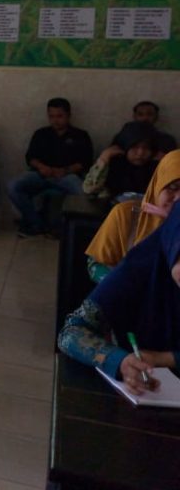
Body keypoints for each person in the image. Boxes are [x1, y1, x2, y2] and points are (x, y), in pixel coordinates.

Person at [58, 203, 180, 396]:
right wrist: (120, 361)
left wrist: (163, 358)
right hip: (143, 397)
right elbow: (71, 333)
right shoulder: (141, 266)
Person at [85, 149, 180, 283]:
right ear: (158, 184)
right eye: (173, 187)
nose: (178, 198)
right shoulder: (126, 214)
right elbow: (96, 264)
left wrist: (174, 224)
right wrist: (124, 285)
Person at [8, 98, 94, 237]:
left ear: (68, 115)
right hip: (41, 174)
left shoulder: (80, 135)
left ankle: (65, 228)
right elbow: (30, 157)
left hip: (67, 176)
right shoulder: (41, 134)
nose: (55, 120)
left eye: (59, 116)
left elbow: (86, 162)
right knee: (13, 186)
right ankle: (36, 223)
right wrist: (41, 167)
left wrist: (65, 171)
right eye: (51, 116)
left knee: (84, 194)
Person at [82, 121, 159, 200]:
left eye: (146, 148)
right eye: (134, 147)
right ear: (125, 146)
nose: (140, 153)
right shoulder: (113, 164)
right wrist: (104, 159)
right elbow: (89, 189)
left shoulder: (155, 167)